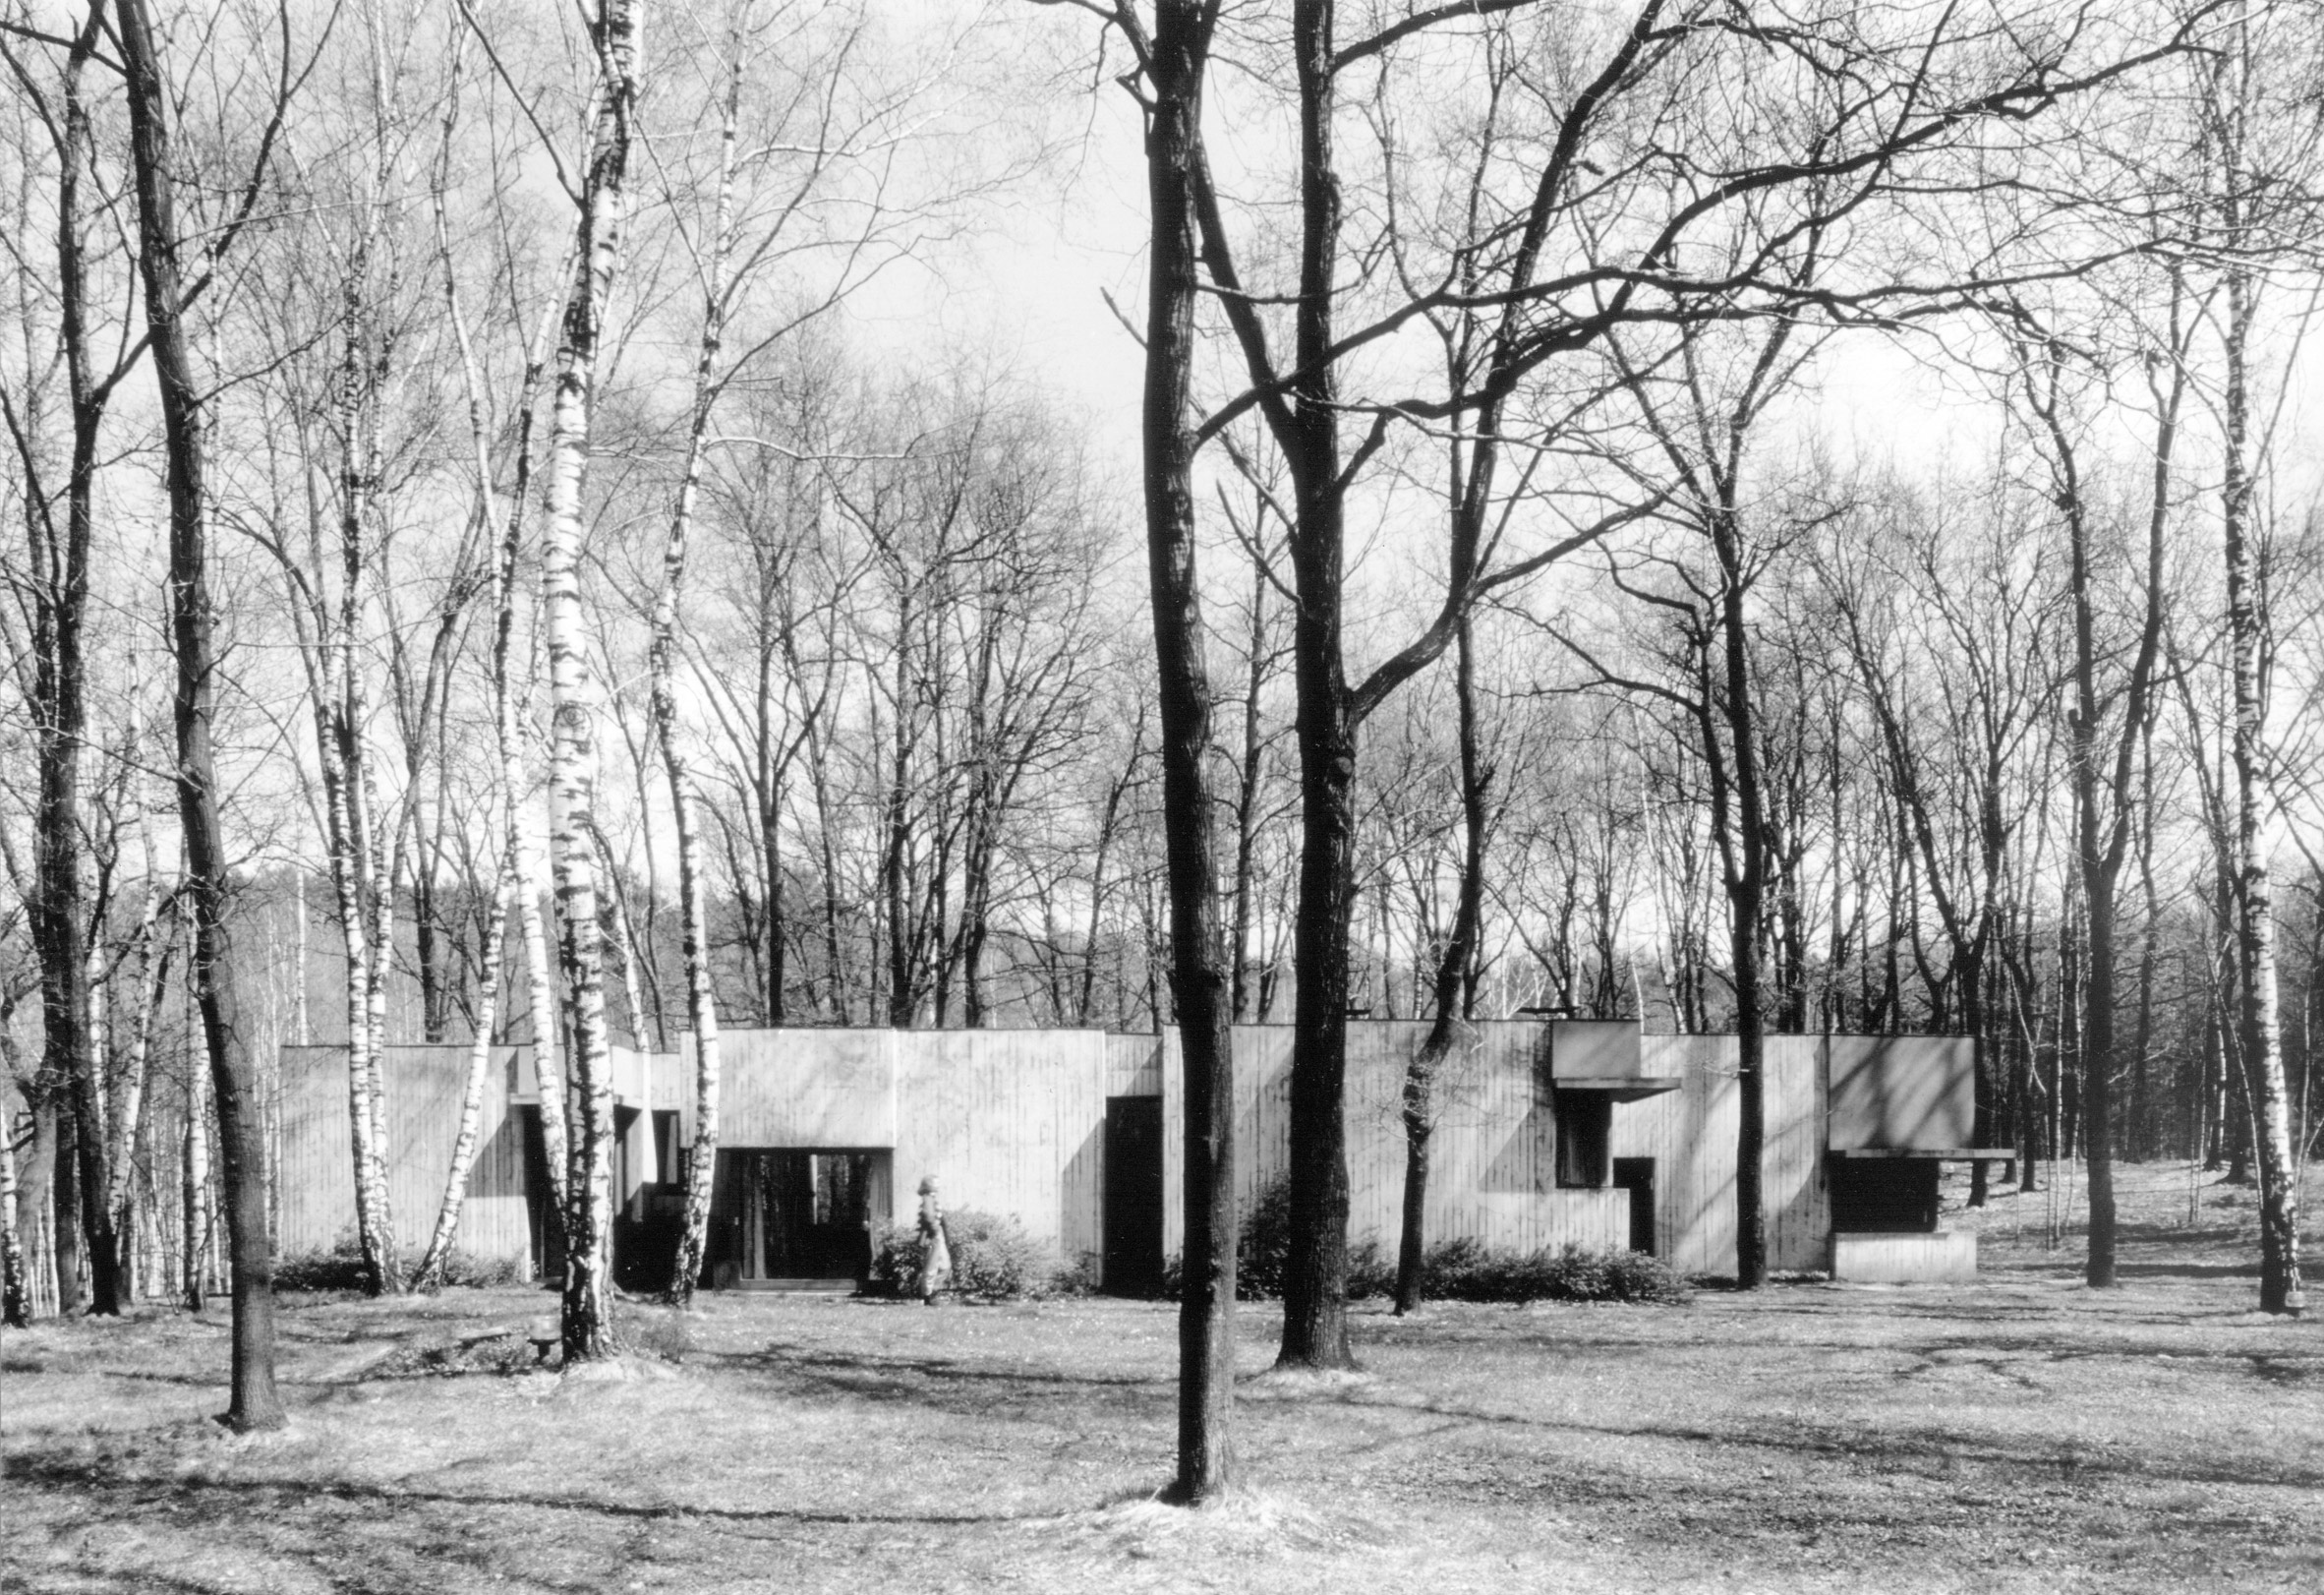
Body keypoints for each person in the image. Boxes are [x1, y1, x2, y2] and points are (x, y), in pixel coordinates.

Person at [915, 1175, 953, 1305]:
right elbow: (928, 1215)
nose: (938, 1185)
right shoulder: (928, 1198)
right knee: (932, 1267)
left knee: (945, 1267)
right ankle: (927, 1297)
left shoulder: (932, 1198)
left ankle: (931, 1292)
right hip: (934, 1236)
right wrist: (935, 1228)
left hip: (939, 1235)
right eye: (935, 1183)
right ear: (928, 1184)